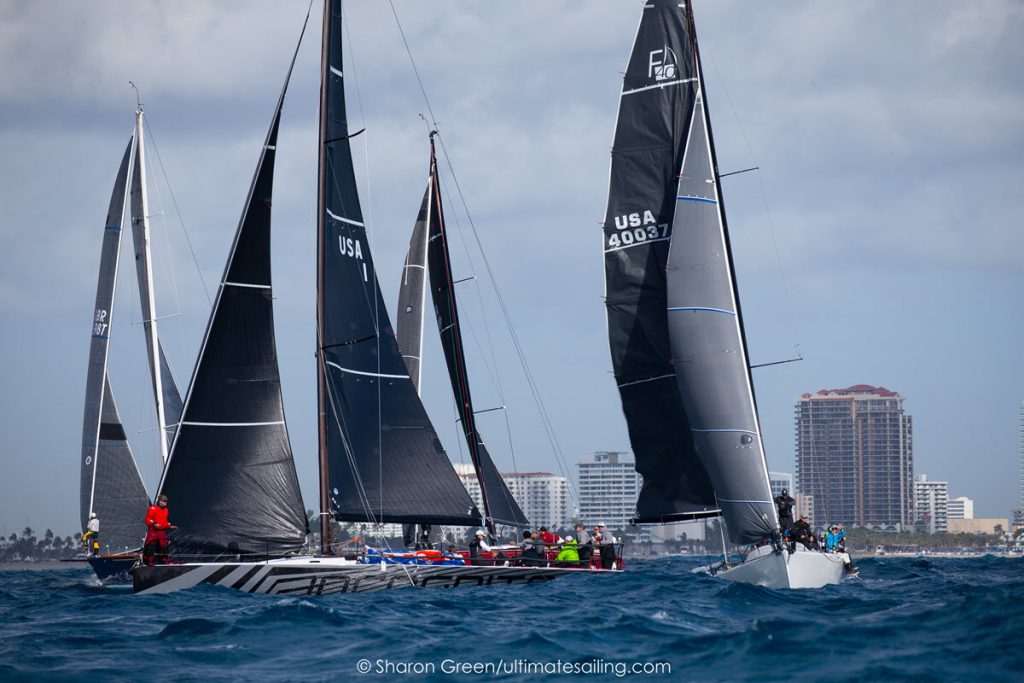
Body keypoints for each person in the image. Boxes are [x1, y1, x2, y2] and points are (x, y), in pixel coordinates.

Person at [143, 494, 177, 566]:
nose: (166, 502)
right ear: (160, 501)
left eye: (166, 501)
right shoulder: (153, 508)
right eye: (164, 501)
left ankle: (166, 560)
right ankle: (149, 561)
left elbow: (164, 521)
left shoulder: (166, 510)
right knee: (150, 545)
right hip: (153, 531)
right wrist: (154, 524)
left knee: (165, 545)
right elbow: (148, 519)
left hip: (161, 531)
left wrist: (169, 526)